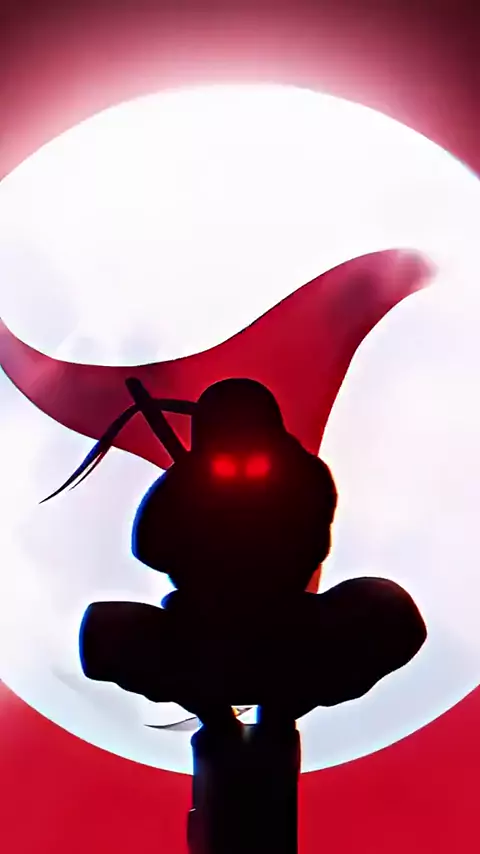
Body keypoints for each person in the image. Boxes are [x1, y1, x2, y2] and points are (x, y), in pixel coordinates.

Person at [48, 377, 427, 731]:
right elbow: (149, 549)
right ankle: (216, 715)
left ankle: (283, 709)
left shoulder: (304, 477)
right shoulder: (186, 485)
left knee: (388, 609)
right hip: (200, 635)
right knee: (104, 627)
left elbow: (313, 546)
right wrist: (189, 491)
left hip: (291, 631)